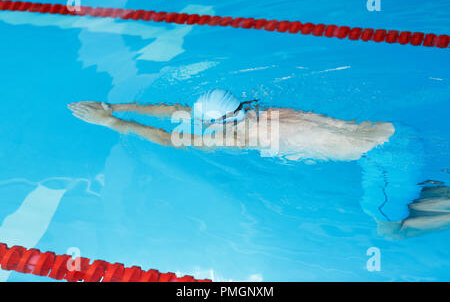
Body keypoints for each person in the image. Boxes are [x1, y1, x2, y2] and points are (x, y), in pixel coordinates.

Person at [68, 89, 450, 238]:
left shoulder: (241, 137)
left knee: (390, 230)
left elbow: (169, 136)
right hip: (398, 132)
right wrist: (119, 105)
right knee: (417, 192)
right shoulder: (260, 113)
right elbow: (177, 110)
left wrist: (113, 121)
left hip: (384, 155)